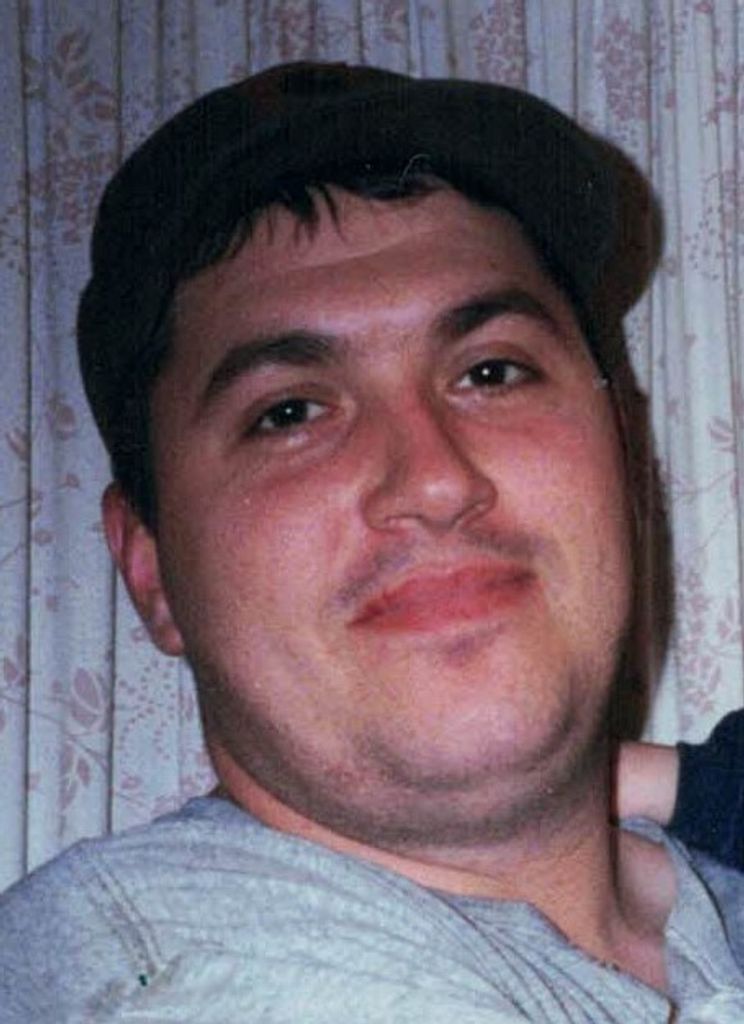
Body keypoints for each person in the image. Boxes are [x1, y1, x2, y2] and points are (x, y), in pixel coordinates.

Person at [1, 61, 743, 1022]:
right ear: (151, 573)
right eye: (290, 413)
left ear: (623, 454)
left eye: (492, 371)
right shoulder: (158, 973)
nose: (435, 480)